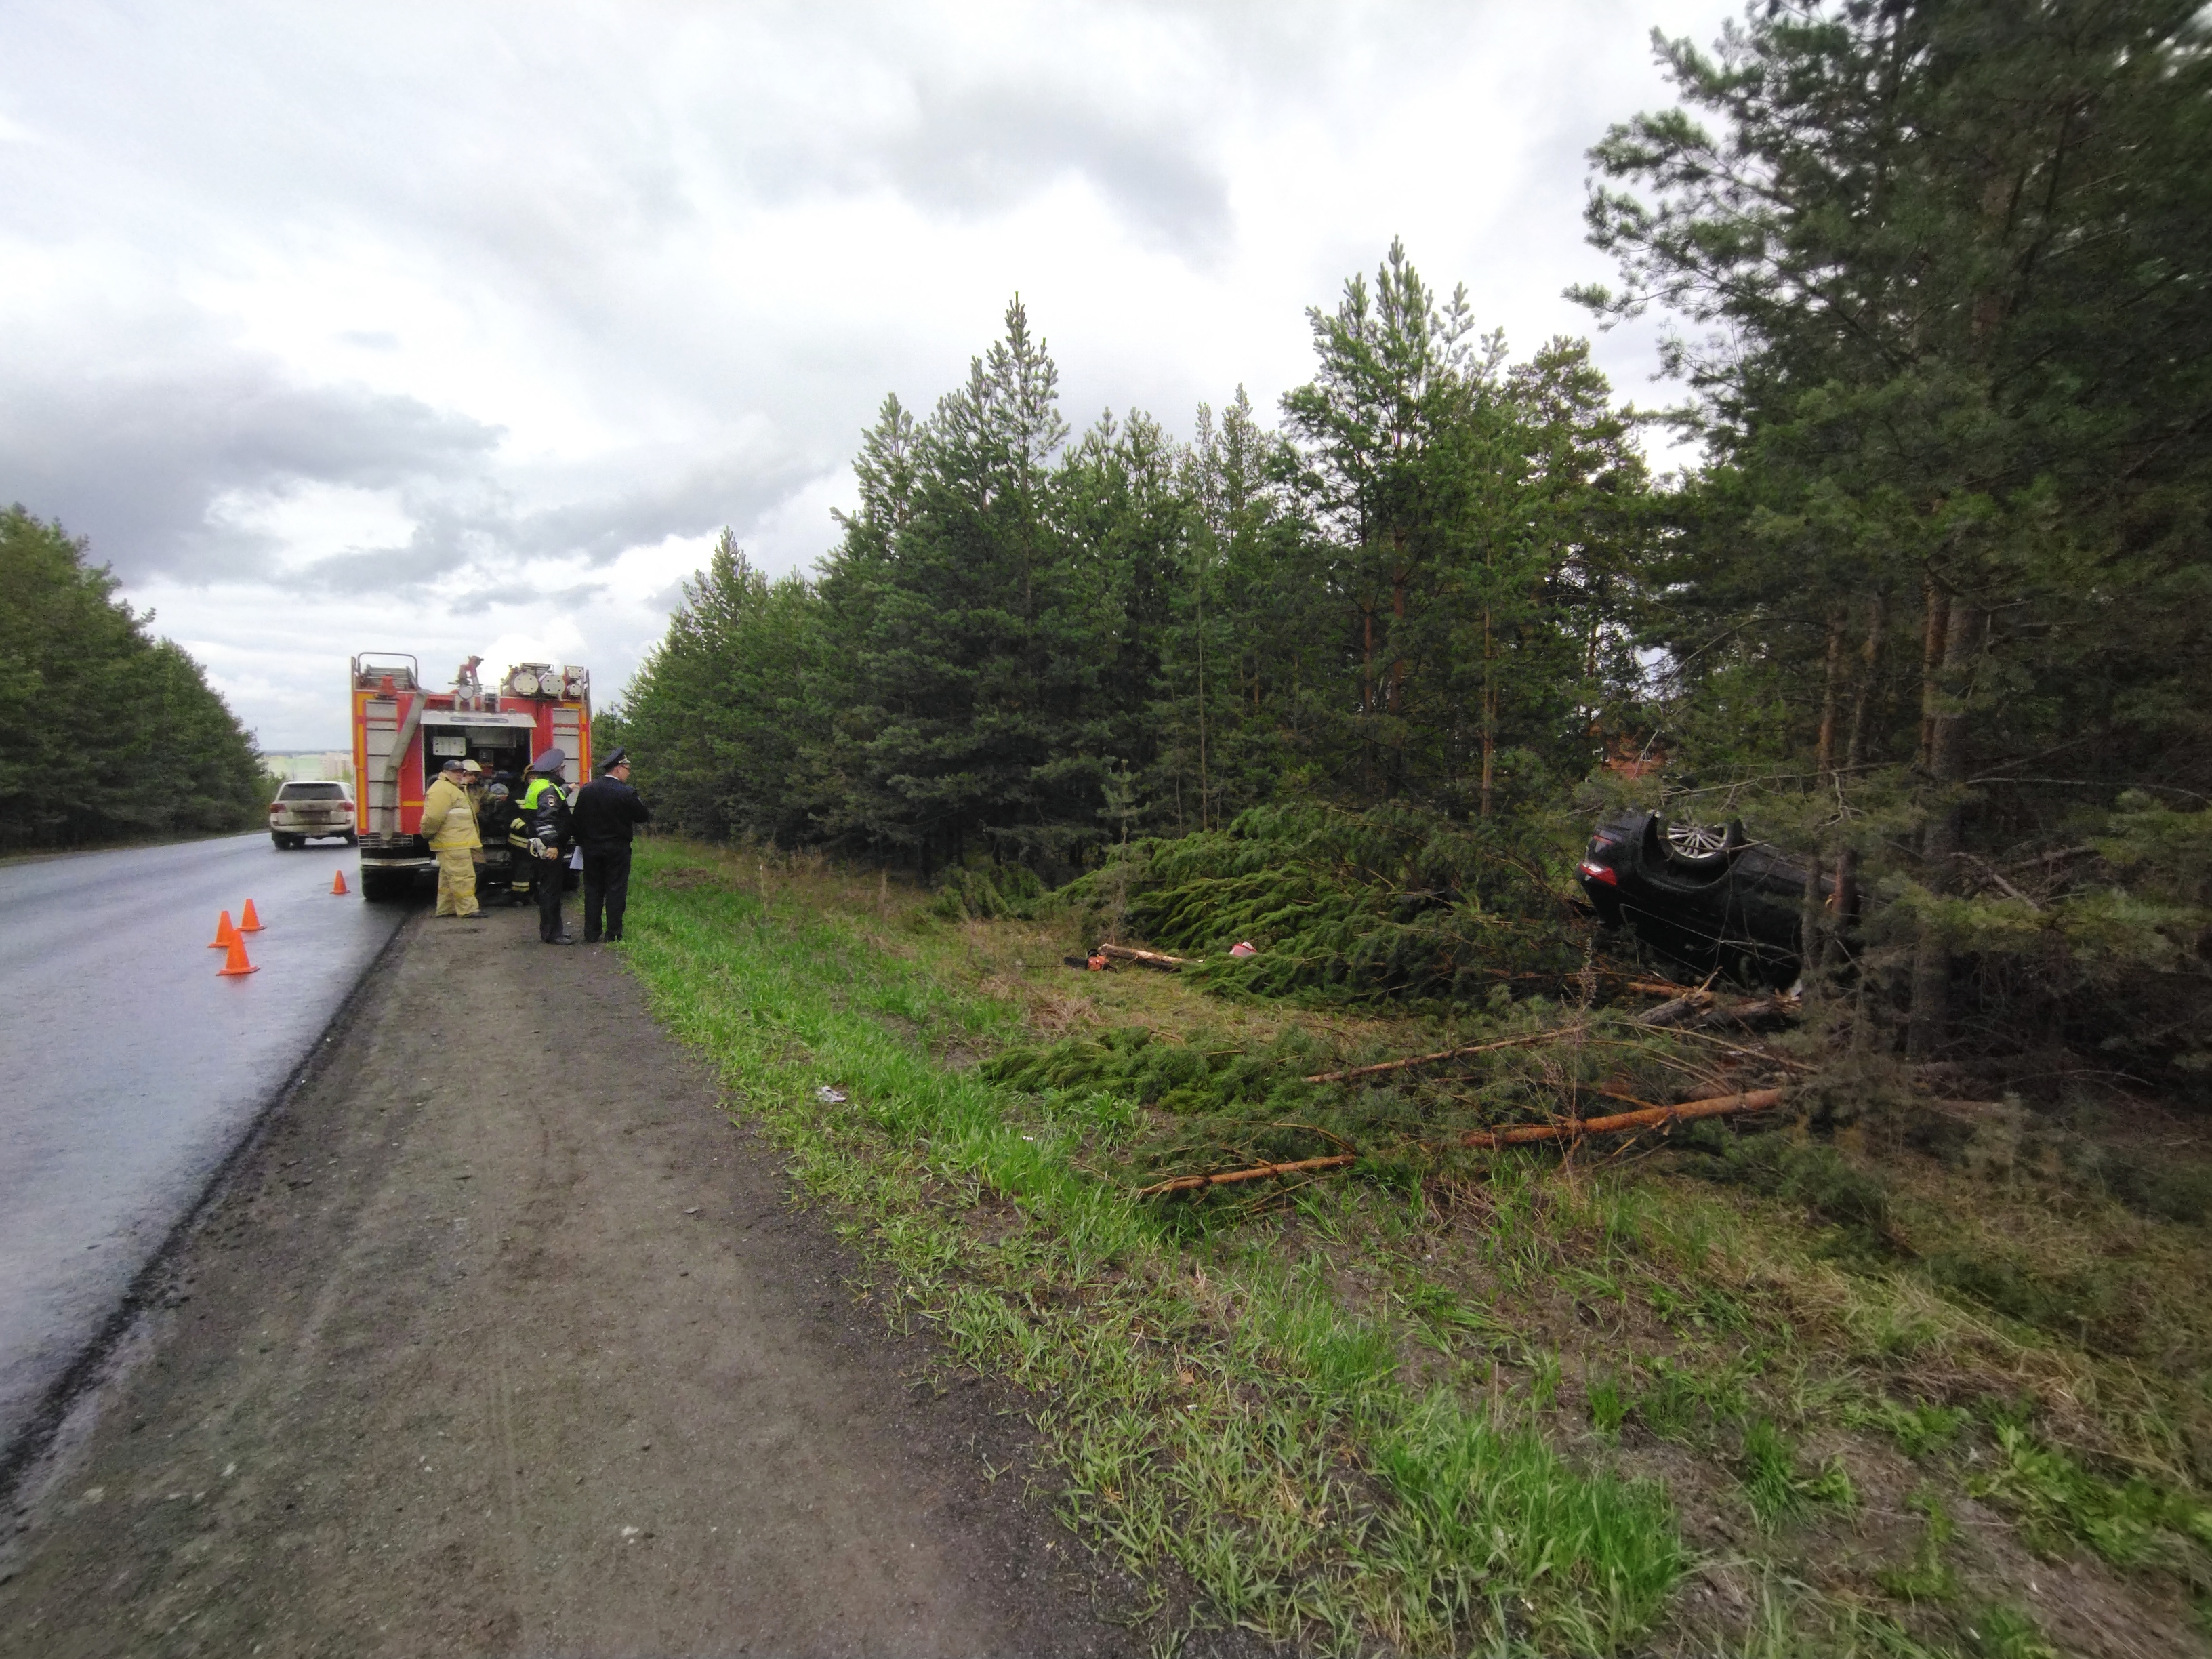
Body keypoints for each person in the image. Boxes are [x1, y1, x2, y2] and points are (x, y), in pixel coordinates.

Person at [571, 747, 651, 943]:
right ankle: (613, 933)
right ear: (618, 769)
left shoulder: (587, 790)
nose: (628, 773)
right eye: (627, 768)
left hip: (591, 849)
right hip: (617, 849)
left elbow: (577, 820)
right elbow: (642, 816)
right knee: (616, 889)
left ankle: (591, 933)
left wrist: (583, 843)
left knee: (593, 889)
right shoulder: (625, 792)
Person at [518, 747, 577, 943]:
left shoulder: (538, 785)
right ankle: (553, 934)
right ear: (556, 770)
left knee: (548, 888)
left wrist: (568, 789)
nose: (563, 771)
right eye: (562, 768)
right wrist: (552, 844)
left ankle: (552, 930)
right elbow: (545, 820)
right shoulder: (548, 789)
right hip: (548, 848)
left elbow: (552, 801)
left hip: (538, 845)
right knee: (551, 890)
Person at [422, 757, 483, 918]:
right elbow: (433, 817)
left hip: (455, 842)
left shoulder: (451, 788)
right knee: (463, 877)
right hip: (454, 843)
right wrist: (426, 833)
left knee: (449, 879)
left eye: (460, 772)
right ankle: (468, 909)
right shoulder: (443, 789)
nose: (458, 775)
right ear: (445, 772)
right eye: (455, 772)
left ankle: (447, 908)